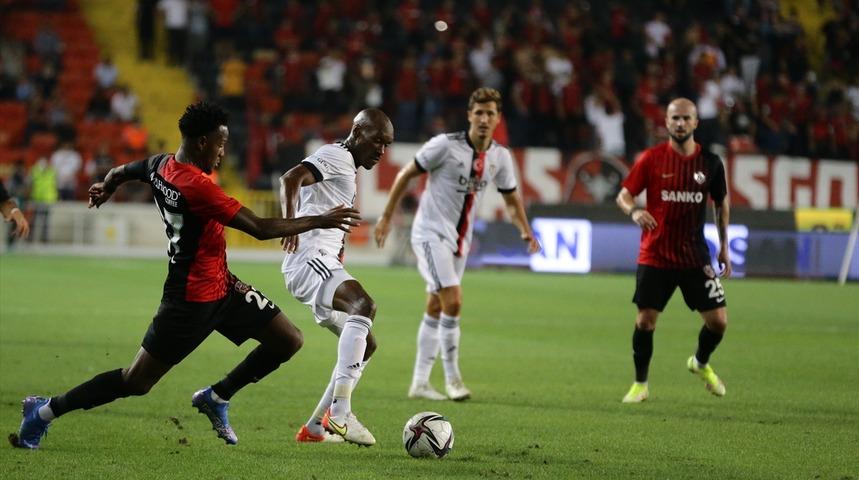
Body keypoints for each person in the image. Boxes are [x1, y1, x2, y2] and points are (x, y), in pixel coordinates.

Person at [10, 102, 360, 449]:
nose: (223, 153)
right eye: (220, 144)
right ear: (202, 142)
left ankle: (217, 396)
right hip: (189, 301)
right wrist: (320, 219)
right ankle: (44, 411)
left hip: (223, 286)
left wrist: (107, 185)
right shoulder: (196, 188)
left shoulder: (162, 165)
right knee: (136, 381)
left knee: (288, 340)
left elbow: (125, 170)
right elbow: (259, 227)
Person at [374, 87, 540, 401]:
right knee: (453, 300)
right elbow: (406, 174)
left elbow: (512, 200)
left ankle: (420, 383)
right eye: (479, 113)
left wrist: (525, 230)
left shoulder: (500, 157)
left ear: (498, 118)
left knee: (436, 305)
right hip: (429, 233)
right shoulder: (445, 146)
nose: (484, 119)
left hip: (460, 241)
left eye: (490, 113)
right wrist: (385, 216)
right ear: (469, 116)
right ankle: (453, 379)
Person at [280, 108, 394, 446]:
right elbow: (290, 178)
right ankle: (340, 412)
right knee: (363, 305)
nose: (381, 151)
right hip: (310, 260)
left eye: (386, 145)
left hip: (322, 261)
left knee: (366, 344)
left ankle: (315, 428)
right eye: (377, 141)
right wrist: (290, 225)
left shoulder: (345, 164)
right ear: (357, 132)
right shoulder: (337, 155)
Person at [615, 97, 731, 404]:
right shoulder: (651, 159)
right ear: (666, 122)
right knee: (645, 321)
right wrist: (634, 211)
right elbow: (624, 195)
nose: (680, 123)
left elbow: (721, 203)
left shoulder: (710, 163)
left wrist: (724, 247)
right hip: (656, 254)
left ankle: (700, 363)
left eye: (685, 118)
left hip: (694, 256)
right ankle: (640, 384)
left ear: (695, 123)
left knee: (718, 322)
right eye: (674, 118)